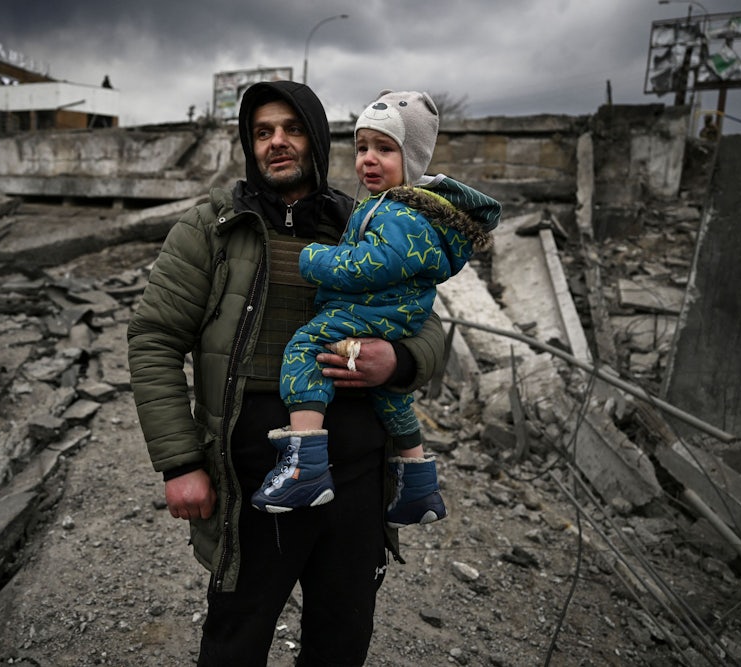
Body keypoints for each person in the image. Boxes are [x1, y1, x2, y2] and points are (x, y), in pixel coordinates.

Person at [127, 81, 446, 666]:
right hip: (253, 479)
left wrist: (397, 361)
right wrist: (180, 463)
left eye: (292, 129)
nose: (277, 142)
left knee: (342, 636)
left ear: (318, 140)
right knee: (236, 637)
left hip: (356, 478)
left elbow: (427, 326)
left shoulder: (367, 222)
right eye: (263, 132)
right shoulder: (211, 228)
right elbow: (154, 339)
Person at [251, 91, 501, 529]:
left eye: (385, 149)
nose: (368, 159)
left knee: (305, 347)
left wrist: (315, 259)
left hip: (373, 309)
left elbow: (375, 265)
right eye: (362, 147)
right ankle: (419, 485)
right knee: (391, 397)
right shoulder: (393, 206)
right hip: (393, 314)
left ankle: (304, 465)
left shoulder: (399, 212)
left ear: (414, 158)